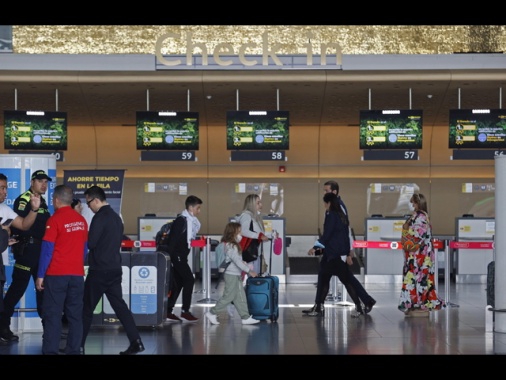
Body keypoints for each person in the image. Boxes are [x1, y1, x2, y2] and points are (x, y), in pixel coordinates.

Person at [82, 185, 145, 355]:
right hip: (115, 269)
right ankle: (136, 341)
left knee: (86, 309)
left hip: (99, 270)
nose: (88, 207)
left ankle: (78, 345)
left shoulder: (99, 218)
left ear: (95, 200)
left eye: (88, 203)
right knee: (120, 307)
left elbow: (92, 243)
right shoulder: (116, 217)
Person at [35, 185, 88, 355]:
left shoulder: (54, 220)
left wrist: (40, 275)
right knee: (75, 316)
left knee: (53, 315)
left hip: (57, 274)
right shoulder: (81, 221)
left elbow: (47, 250)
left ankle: (50, 351)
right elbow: (84, 249)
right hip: (77, 275)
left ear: (56, 200)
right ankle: (73, 350)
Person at [0, 170, 47, 343]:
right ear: (32, 182)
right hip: (27, 251)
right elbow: (21, 228)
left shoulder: (40, 202)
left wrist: (35, 209)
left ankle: (48, 328)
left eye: (46, 182)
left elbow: (27, 224)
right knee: (17, 289)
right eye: (40, 181)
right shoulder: (23, 199)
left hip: (40, 250)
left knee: (43, 288)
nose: (44, 184)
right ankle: (4, 326)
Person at [303, 192, 364, 317]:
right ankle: (318, 306)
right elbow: (346, 237)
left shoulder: (331, 215)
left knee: (346, 281)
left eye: (325, 203)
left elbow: (327, 235)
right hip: (336, 254)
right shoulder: (342, 215)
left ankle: (359, 306)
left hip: (333, 255)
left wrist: (316, 247)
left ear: (328, 203)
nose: (324, 206)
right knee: (324, 278)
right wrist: (347, 252)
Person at [322, 180, 376, 314]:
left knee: (347, 278)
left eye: (327, 191)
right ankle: (318, 304)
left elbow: (345, 229)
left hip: (337, 251)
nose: (325, 193)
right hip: (333, 250)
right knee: (330, 277)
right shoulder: (334, 206)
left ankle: (365, 301)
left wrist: (348, 251)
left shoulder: (339, 207)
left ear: (334, 192)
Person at [398, 193, 446, 317]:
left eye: (413, 202)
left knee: (419, 280)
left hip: (420, 257)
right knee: (416, 280)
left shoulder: (420, 217)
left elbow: (417, 235)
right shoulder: (419, 216)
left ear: (418, 203)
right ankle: (414, 304)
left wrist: (406, 230)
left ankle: (420, 305)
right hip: (418, 256)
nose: (411, 205)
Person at [204, 222, 260, 325]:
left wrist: (244, 265)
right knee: (228, 296)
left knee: (240, 296)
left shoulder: (233, 245)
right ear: (232, 233)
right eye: (239, 232)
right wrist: (249, 271)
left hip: (235, 274)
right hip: (231, 275)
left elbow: (237, 260)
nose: (241, 234)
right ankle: (212, 313)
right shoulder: (232, 246)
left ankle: (245, 317)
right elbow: (237, 262)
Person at [165, 195, 203, 323]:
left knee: (179, 282)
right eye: (198, 208)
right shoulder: (182, 221)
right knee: (189, 280)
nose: (199, 211)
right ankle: (185, 311)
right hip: (177, 256)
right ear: (191, 207)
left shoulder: (191, 222)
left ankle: (168, 310)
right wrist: (169, 258)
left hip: (182, 256)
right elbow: (173, 240)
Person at [238, 194, 269, 276]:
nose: (261, 205)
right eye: (258, 203)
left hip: (254, 252)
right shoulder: (246, 216)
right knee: (253, 275)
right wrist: (259, 236)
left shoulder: (255, 217)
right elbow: (243, 231)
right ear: (251, 204)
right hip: (248, 252)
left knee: (255, 275)